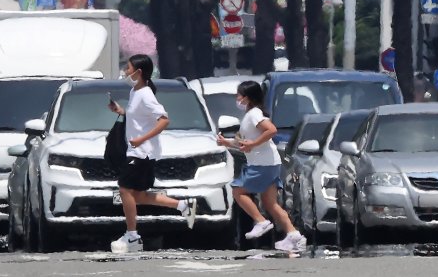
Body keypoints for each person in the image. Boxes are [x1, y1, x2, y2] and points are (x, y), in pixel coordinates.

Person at [107, 54, 197, 254]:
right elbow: (139, 117)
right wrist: (121, 111)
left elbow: (164, 120)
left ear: (138, 72)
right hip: (137, 151)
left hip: (142, 153)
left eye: (128, 68)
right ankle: (183, 205)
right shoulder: (135, 91)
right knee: (136, 195)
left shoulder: (146, 94)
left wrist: (141, 139)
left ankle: (132, 236)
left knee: (124, 190)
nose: (125, 71)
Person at [217, 80, 306, 252]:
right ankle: (294, 235)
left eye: (239, 96)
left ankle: (261, 221)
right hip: (268, 162)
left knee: (238, 191)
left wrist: (253, 144)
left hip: (263, 164)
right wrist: (226, 142)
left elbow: (271, 130)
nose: (237, 99)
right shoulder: (250, 115)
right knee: (270, 203)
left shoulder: (254, 114)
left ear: (247, 98)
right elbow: (244, 143)